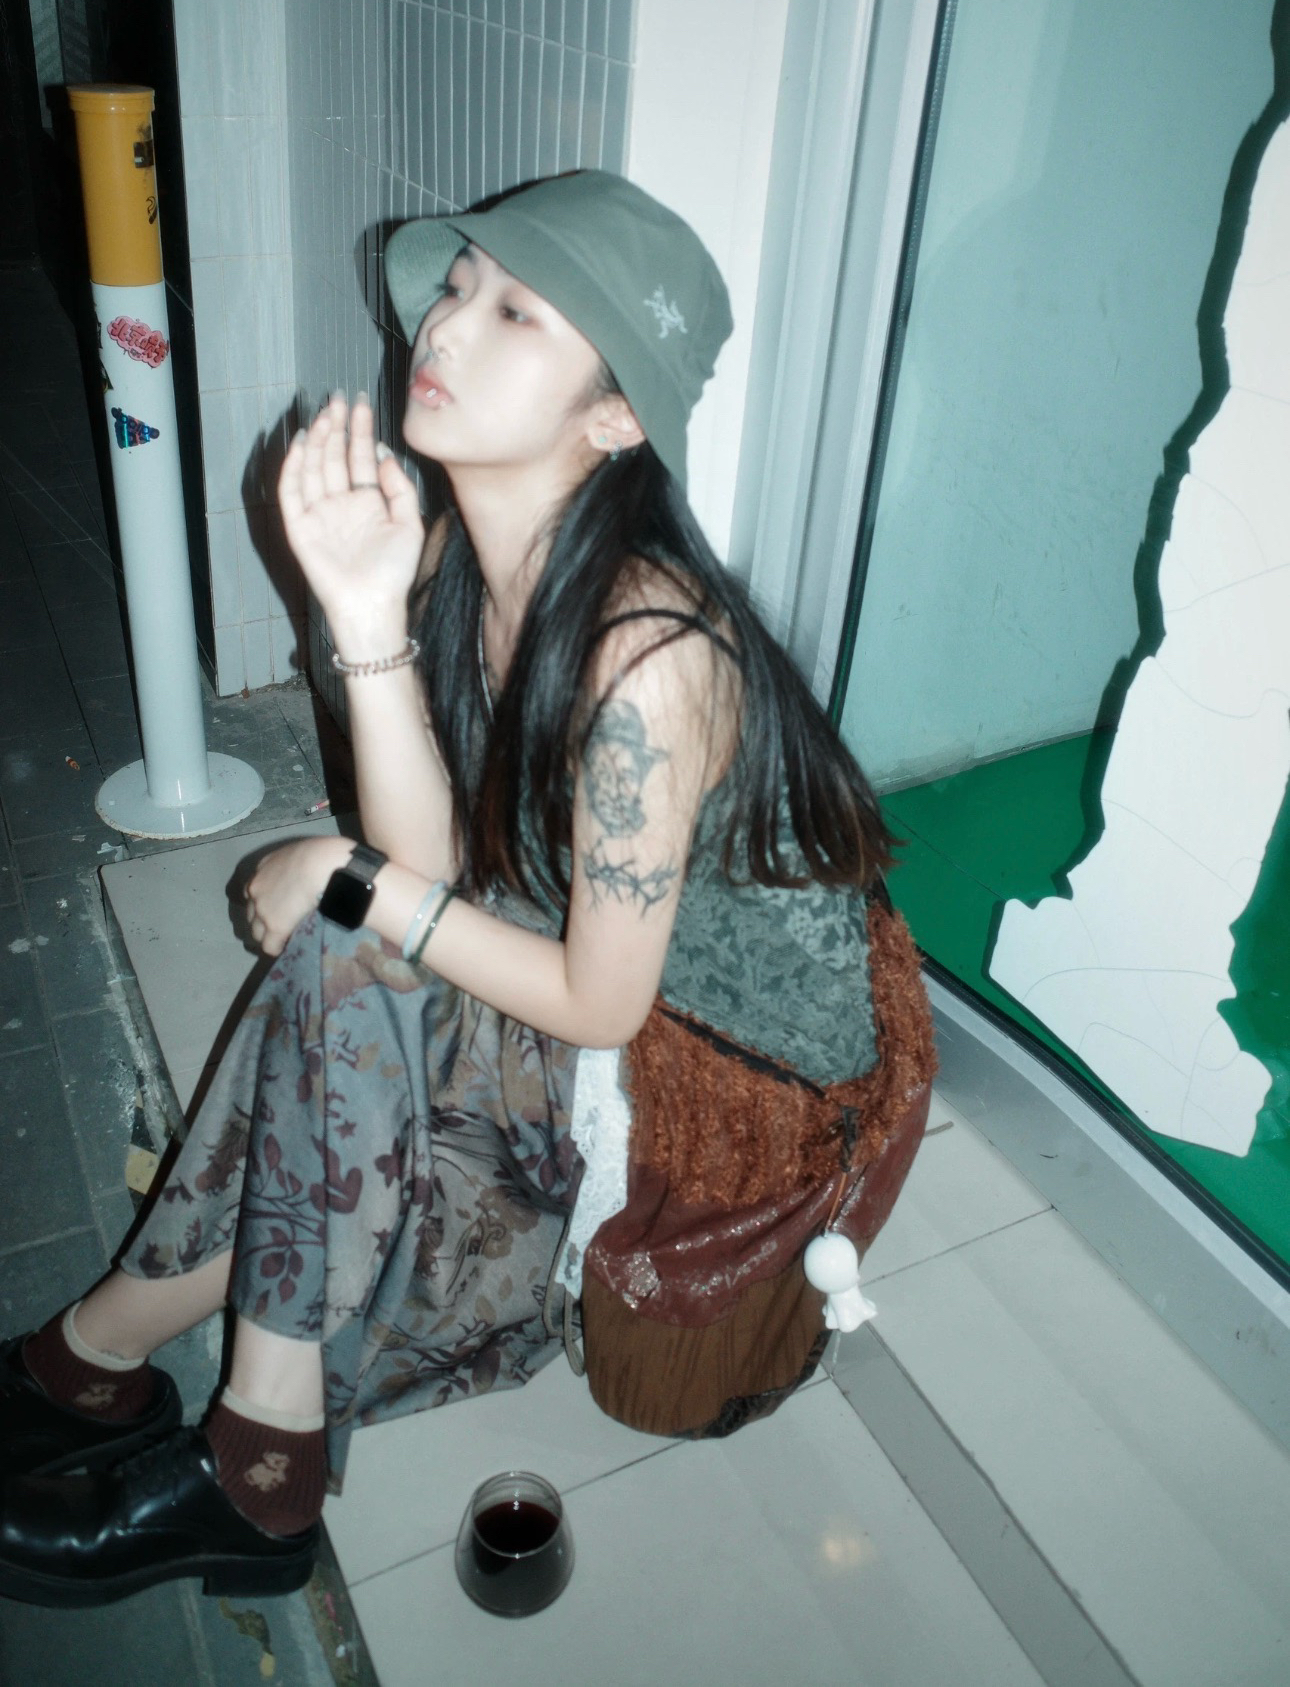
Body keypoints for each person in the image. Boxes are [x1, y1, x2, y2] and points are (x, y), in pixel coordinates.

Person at [0, 171, 902, 1608]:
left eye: (517, 313)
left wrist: (348, 876)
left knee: (348, 941)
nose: (446, 324)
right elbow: (430, 871)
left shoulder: (650, 655)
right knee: (349, 949)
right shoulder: (457, 561)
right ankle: (121, 1377)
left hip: (711, 1102)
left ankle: (210, 1435)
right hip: (597, 1002)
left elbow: (598, 1003)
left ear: (615, 417)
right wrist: (363, 616)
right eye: (459, 285)